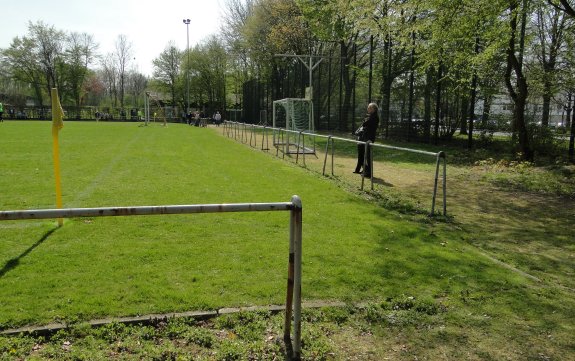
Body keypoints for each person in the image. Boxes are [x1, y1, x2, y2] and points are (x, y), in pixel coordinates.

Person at [354, 103, 379, 178]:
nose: (367, 109)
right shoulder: (369, 116)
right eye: (368, 108)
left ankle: (368, 173)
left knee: (368, 156)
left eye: (369, 108)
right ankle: (364, 170)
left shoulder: (374, 117)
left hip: (369, 139)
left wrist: (365, 122)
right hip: (364, 138)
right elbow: (364, 124)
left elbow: (365, 124)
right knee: (362, 155)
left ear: (373, 109)